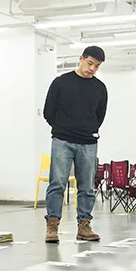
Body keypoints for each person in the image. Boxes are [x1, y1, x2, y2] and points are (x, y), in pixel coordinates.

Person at [41, 46, 107, 244]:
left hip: (88, 142)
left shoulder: (100, 88)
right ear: (81, 59)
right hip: (62, 140)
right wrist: (62, 128)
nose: (92, 69)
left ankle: (84, 226)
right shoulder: (61, 82)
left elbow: (100, 116)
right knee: (57, 184)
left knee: (86, 187)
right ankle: (52, 226)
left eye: (96, 66)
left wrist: (88, 129)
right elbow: (48, 111)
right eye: (90, 63)